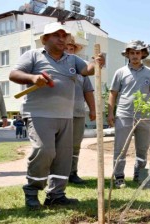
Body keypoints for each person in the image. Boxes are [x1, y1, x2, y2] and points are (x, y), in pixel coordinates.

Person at [9, 22, 104, 209]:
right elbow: (14, 74)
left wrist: (97, 63)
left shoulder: (72, 60)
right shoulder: (33, 55)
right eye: (56, 35)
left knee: (63, 156)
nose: (62, 39)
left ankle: (56, 195)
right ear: (45, 39)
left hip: (66, 116)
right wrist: (32, 78)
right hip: (39, 114)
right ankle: (32, 192)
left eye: (64, 35)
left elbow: (88, 70)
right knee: (44, 151)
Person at [108, 40, 150, 188]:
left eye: (138, 53)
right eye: (132, 53)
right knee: (121, 147)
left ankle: (139, 175)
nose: (135, 56)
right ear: (127, 54)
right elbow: (113, 93)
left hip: (145, 115)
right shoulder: (120, 72)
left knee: (143, 148)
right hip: (124, 114)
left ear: (142, 54)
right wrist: (110, 113)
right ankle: (119, 177)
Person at [65, 35, 96, 184]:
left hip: (78, 112)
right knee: (59, 144)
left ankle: (72, 173)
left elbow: (88, 91)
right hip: (60, 112)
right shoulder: (57, 66)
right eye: (66, 48)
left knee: (76, 144)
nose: (69, 51)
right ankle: (57, 174)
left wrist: (92, 110)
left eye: (72, 49)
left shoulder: (83, 71)